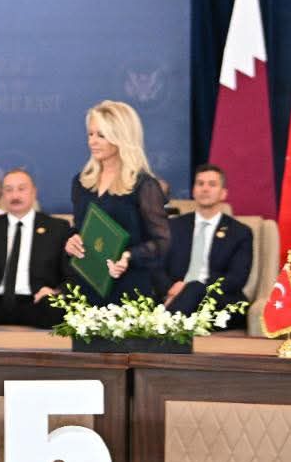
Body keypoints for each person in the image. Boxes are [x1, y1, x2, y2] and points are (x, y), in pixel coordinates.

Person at [65, 100, 170, 304]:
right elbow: (79, 228)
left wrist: (129, 256)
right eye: (90, 134)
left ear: (121, 137)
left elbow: (162, 242)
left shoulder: (143, 185)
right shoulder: (82, 182)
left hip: (129, 286)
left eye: (101, 135)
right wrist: (72, 242)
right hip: (88, 283)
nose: (93, 141)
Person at [0, 168, 73, 328]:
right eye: (9, 190)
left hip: (37, 301)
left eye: (21, 189)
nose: (15, 195)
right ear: (2, 194)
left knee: (56, 308)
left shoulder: (57, 228)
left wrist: (56, 292)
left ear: (34, 192)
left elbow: (70, 274)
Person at [159, 164, 253, 325]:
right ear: (193, 191)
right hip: (173, 295)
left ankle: (164, 325)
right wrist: (170, 289)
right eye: (200, 183)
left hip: (219, 302)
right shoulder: (173, 226)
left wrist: (189, 288)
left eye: (212, 184)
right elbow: (156, 266)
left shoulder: (240, 232)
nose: (205, 188)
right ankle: (171, 324)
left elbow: (236, 278)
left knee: (194, 288)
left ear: (223, 193)